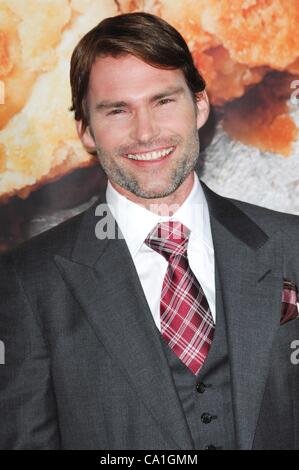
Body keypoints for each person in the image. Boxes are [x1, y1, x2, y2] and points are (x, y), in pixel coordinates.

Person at [0, 12, 299, 451]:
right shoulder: (28, 282)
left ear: (199, 105)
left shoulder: (291, 245)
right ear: (85, 131)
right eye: (117, 110)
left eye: (163, 101)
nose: (145, 133)